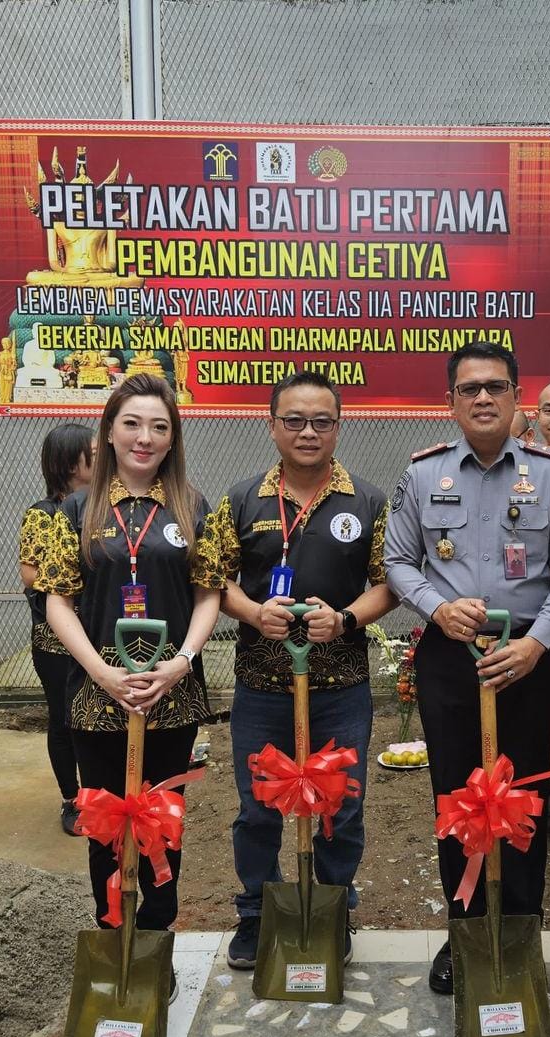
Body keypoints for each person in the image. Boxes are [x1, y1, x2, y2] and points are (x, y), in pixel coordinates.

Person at [385, 341, 550, 994]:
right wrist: (437, 609)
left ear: (515, 399)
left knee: (522, 795)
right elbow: (398, 563)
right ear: (450, 401)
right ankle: (466, 929)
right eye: (469, 388)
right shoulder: (422, 474)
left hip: (525, 655)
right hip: (451, 657)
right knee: (457, 795)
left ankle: (521, 930)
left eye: (495, 387)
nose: (482, 397)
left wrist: (541, 644)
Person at [32, 374, 223, 986]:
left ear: (173, 438)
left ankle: (155, 941)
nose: (145, 437)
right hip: (98, 692)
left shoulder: (193, 507)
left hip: (171, 691)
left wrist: (183, 661)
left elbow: (208, 593)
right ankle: (114, 933)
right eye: (133, 424)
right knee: (109, 817)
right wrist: (99, 670)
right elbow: (58, 601)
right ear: (109, 431)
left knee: (163, 816)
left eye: (160, 426)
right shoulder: (71, 511)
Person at [212, 371, 394, 969]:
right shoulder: (242, 499)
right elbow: (213, 578)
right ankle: (258, 914)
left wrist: (343, 620)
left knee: (342, 805)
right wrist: (251, 611)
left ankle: (333, 906)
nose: (308, 432)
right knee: (257, 805)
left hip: (342, 687)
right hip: (262, 685)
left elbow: (389, 583)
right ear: (272, 426)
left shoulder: (367, 501)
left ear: (338, 427)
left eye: (321, 421)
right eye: (294, 420)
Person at [19, 422, 95, 835]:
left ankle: (104, 794)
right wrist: (72, 577)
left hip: (100, 634)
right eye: (93, 453)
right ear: (69, 464)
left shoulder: (105, 507)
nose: (103, 459)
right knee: (64, 718)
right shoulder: (42, 514)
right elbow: (30, 574)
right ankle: (73, 799)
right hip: (55, 641)